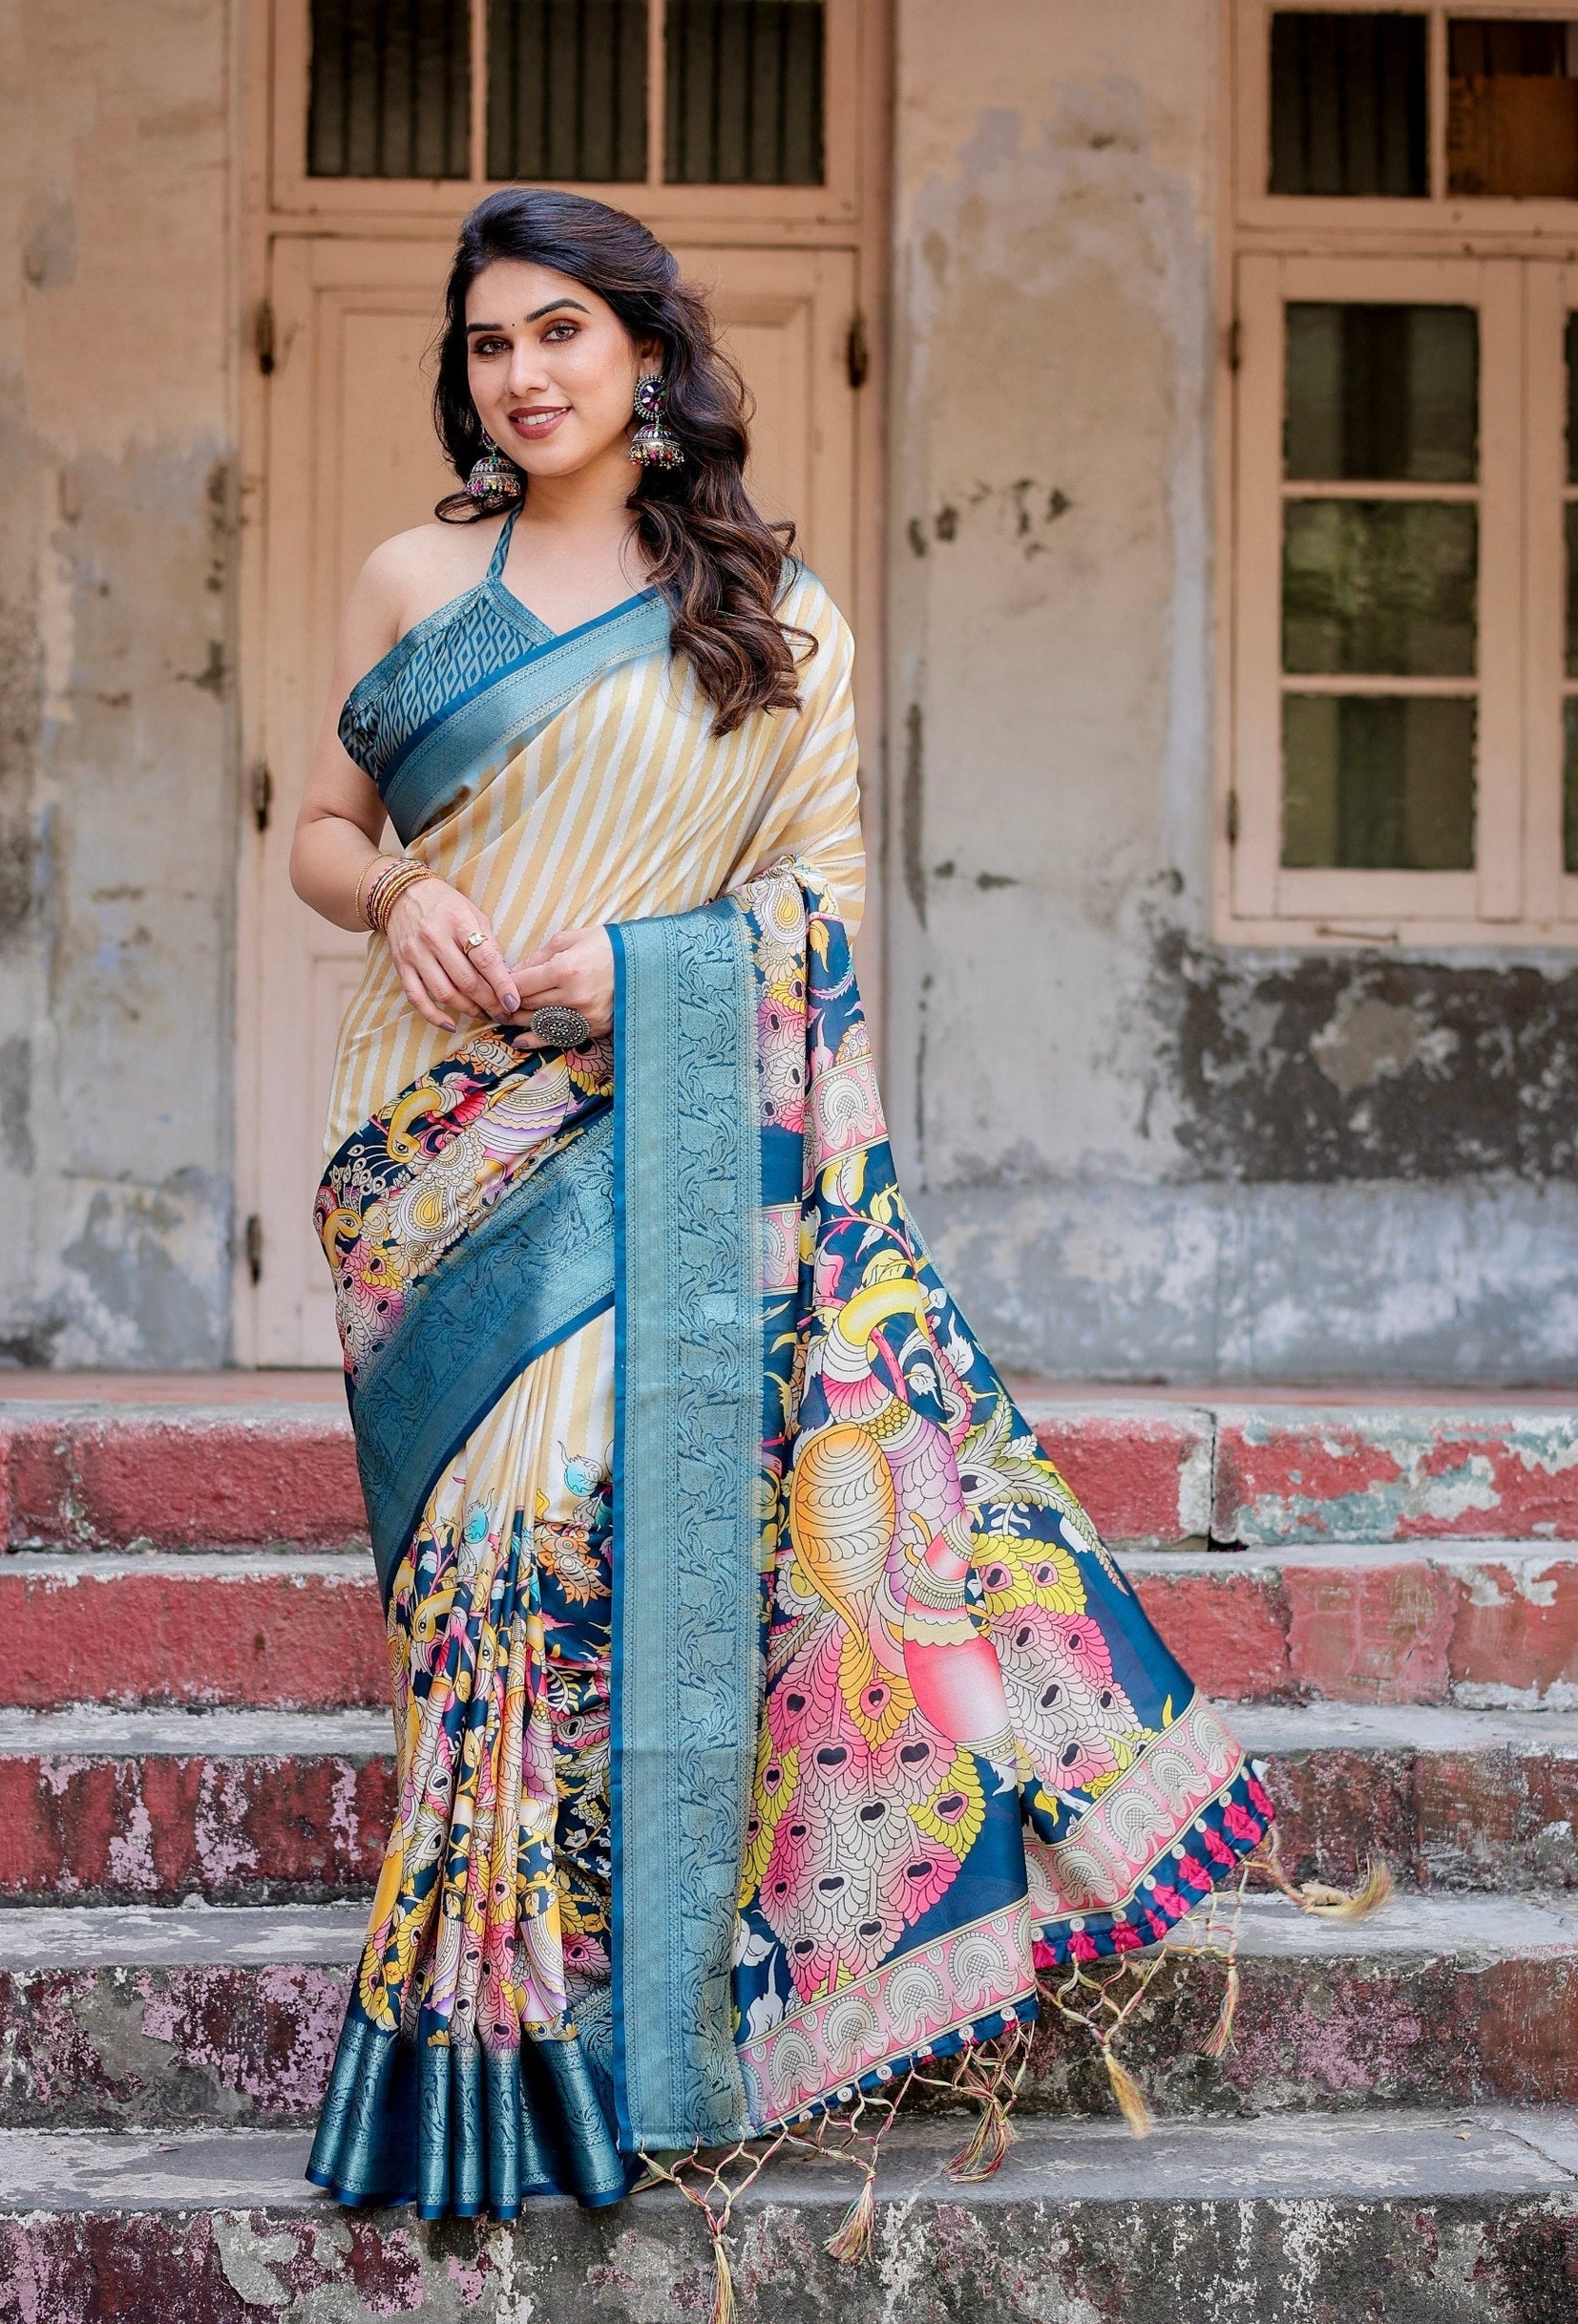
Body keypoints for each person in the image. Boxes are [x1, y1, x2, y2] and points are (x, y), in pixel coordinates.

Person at [288, 186, 1279, 2242]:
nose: (525, 373)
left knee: (553, 1544)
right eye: (488, 342)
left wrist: (635, 967)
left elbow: (818, 904)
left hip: (643, 1123)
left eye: (563, 330)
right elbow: (313, 825)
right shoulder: (414, 574)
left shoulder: (773, 616)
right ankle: (489, 2039)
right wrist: (407, 890)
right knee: (467, 1567)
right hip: (430, 1144)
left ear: (648, 354)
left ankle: (580, 2033)